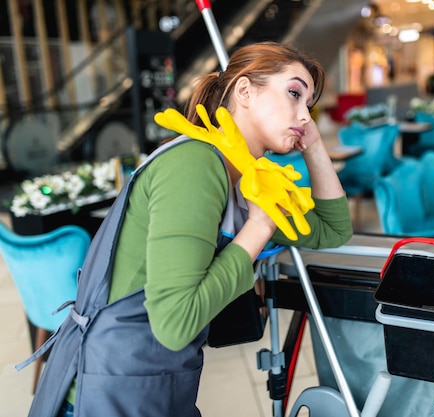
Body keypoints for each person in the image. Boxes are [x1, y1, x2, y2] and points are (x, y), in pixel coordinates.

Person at [23, 41, 352, 417]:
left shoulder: (251, 180)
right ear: (244, 90)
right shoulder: (195, 163)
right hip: (107, 392)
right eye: (294, 93)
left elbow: (333, 228)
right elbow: (176, 323)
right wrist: (259, 227)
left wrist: (313, 146)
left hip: (158, 385)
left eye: (308, 105)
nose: (304, 114)